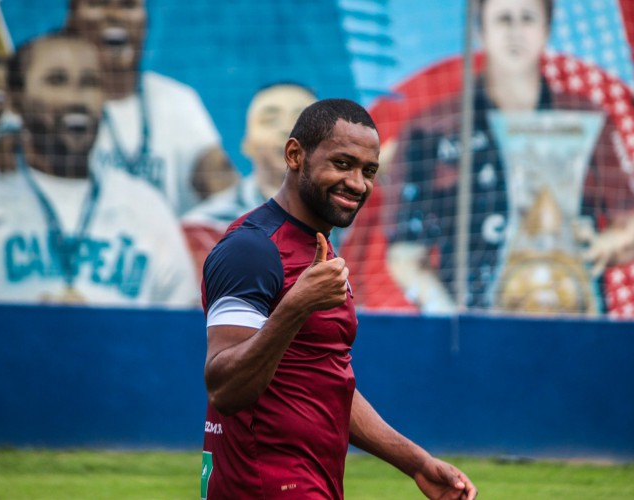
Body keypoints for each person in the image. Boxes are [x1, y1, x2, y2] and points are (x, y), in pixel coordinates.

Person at [200, 99, 477, 499]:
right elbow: (224, 389)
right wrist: (296, 306)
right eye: (342, 164)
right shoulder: (252, 248)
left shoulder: (319, 251)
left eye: (369, 171)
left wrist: (416, 463)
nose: (357, 183)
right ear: (295, 155)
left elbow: (324, 383)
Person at [386, 0, 634, 312]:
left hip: (574, 323)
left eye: (527, 18)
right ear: (480, 30)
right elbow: (405, 254)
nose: (515, 31)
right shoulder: (431, 129)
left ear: (546, 28)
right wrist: (445, 316)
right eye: (503, 19)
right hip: (475, 329)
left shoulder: (587, 120)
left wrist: (604, 246)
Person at [0, 32, 198, 306]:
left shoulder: (147, 208)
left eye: (90, 82)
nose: (77, 99)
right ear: (16, 98)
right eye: (56, 80)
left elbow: (180, 333)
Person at [64, 0, 237, 218]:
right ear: (71, 18)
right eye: (99, 3)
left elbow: (221, 182)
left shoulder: (177, 100)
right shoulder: (51, 106)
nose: (114, 14)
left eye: (128, 5)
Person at [181, 82, 317, 275]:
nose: (287, 130)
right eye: (270, 120)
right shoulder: (206, 228)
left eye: (301, 121)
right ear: (247, 143)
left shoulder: (353, 223)